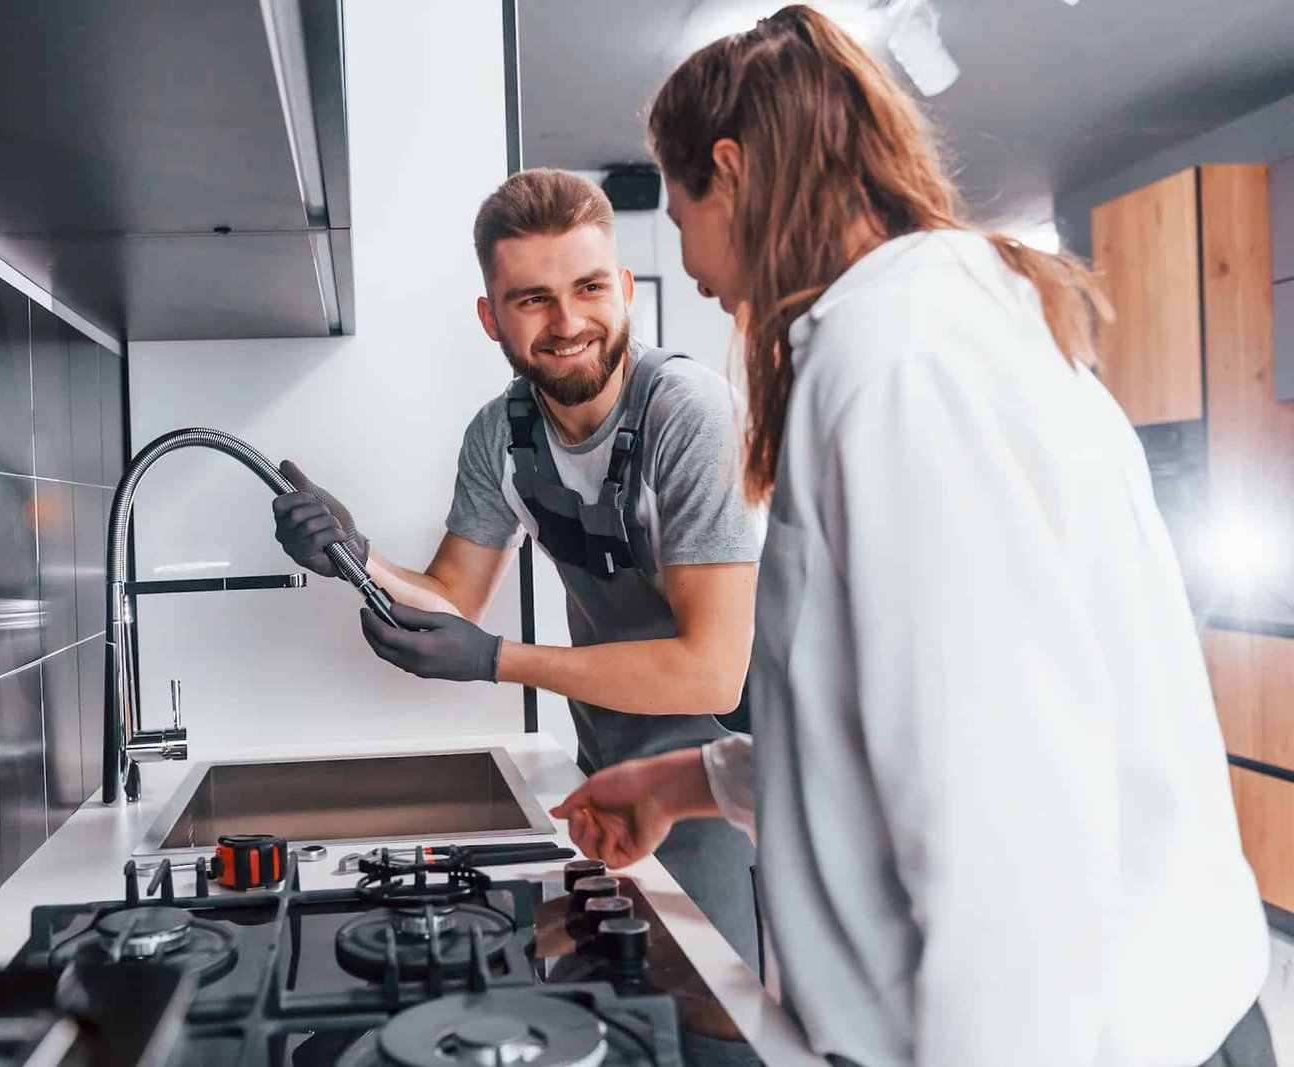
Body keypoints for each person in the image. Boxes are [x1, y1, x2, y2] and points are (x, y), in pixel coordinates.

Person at [549, 8, 1275, 1067]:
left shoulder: (900, 367)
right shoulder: (935, 333)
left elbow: (1002, 817)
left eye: (676, 204)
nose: (689, 259)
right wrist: (686, 780)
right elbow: (911, 729)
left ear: (731, 169)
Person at [270, 169, 765, 981]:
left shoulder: (690, 416)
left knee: (709, 1024)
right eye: (532, 299)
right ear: (490, 316)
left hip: (726, 784)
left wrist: (498, 658)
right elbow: (454, 598)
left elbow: (711, 671)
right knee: (615, 1010)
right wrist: (357, 559)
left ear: (627, 290)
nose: (568, 322)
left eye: (590, 287)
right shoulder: (502, 436)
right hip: (610, 768)